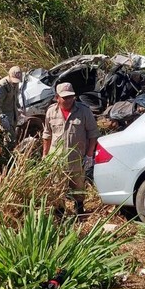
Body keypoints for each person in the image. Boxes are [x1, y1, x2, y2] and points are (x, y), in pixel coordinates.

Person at [42, 82, 100, 217]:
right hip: (57, 160)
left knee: (79, 188)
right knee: (57, 189)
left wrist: (90, 155)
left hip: (77, 159)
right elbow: (47, 135)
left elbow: (93, 134)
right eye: (65, 97)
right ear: (57, 98)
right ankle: (60, 216)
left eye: (70, 97)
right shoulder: (51, 112)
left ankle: (79, 213)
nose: (68, 100)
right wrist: (45, 156)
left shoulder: (84, 111)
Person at [0, 65, 22, 150]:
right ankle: (8, 156)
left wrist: (18, 107)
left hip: (13, 115)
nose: (15, 83)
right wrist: (1, 118)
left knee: (12, 137)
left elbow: (15, 97)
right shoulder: (2, 86)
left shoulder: (15, 84)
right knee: (10, 139)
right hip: (5, 117)